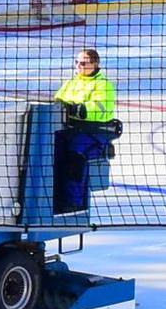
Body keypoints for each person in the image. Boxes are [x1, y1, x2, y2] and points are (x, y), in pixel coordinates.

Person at [50, 45, 119, 212]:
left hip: (93, 132)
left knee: (75, 156)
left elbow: (100, 109)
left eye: (83, 63)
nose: (79, 66)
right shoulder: (72, 82)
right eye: (77, 62)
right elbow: (57, 100)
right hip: (70, 129)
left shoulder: (102, 85)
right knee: (51, 151)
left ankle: (74, 202)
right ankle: (54, 197)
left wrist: (79, 109)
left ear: (94, 64)